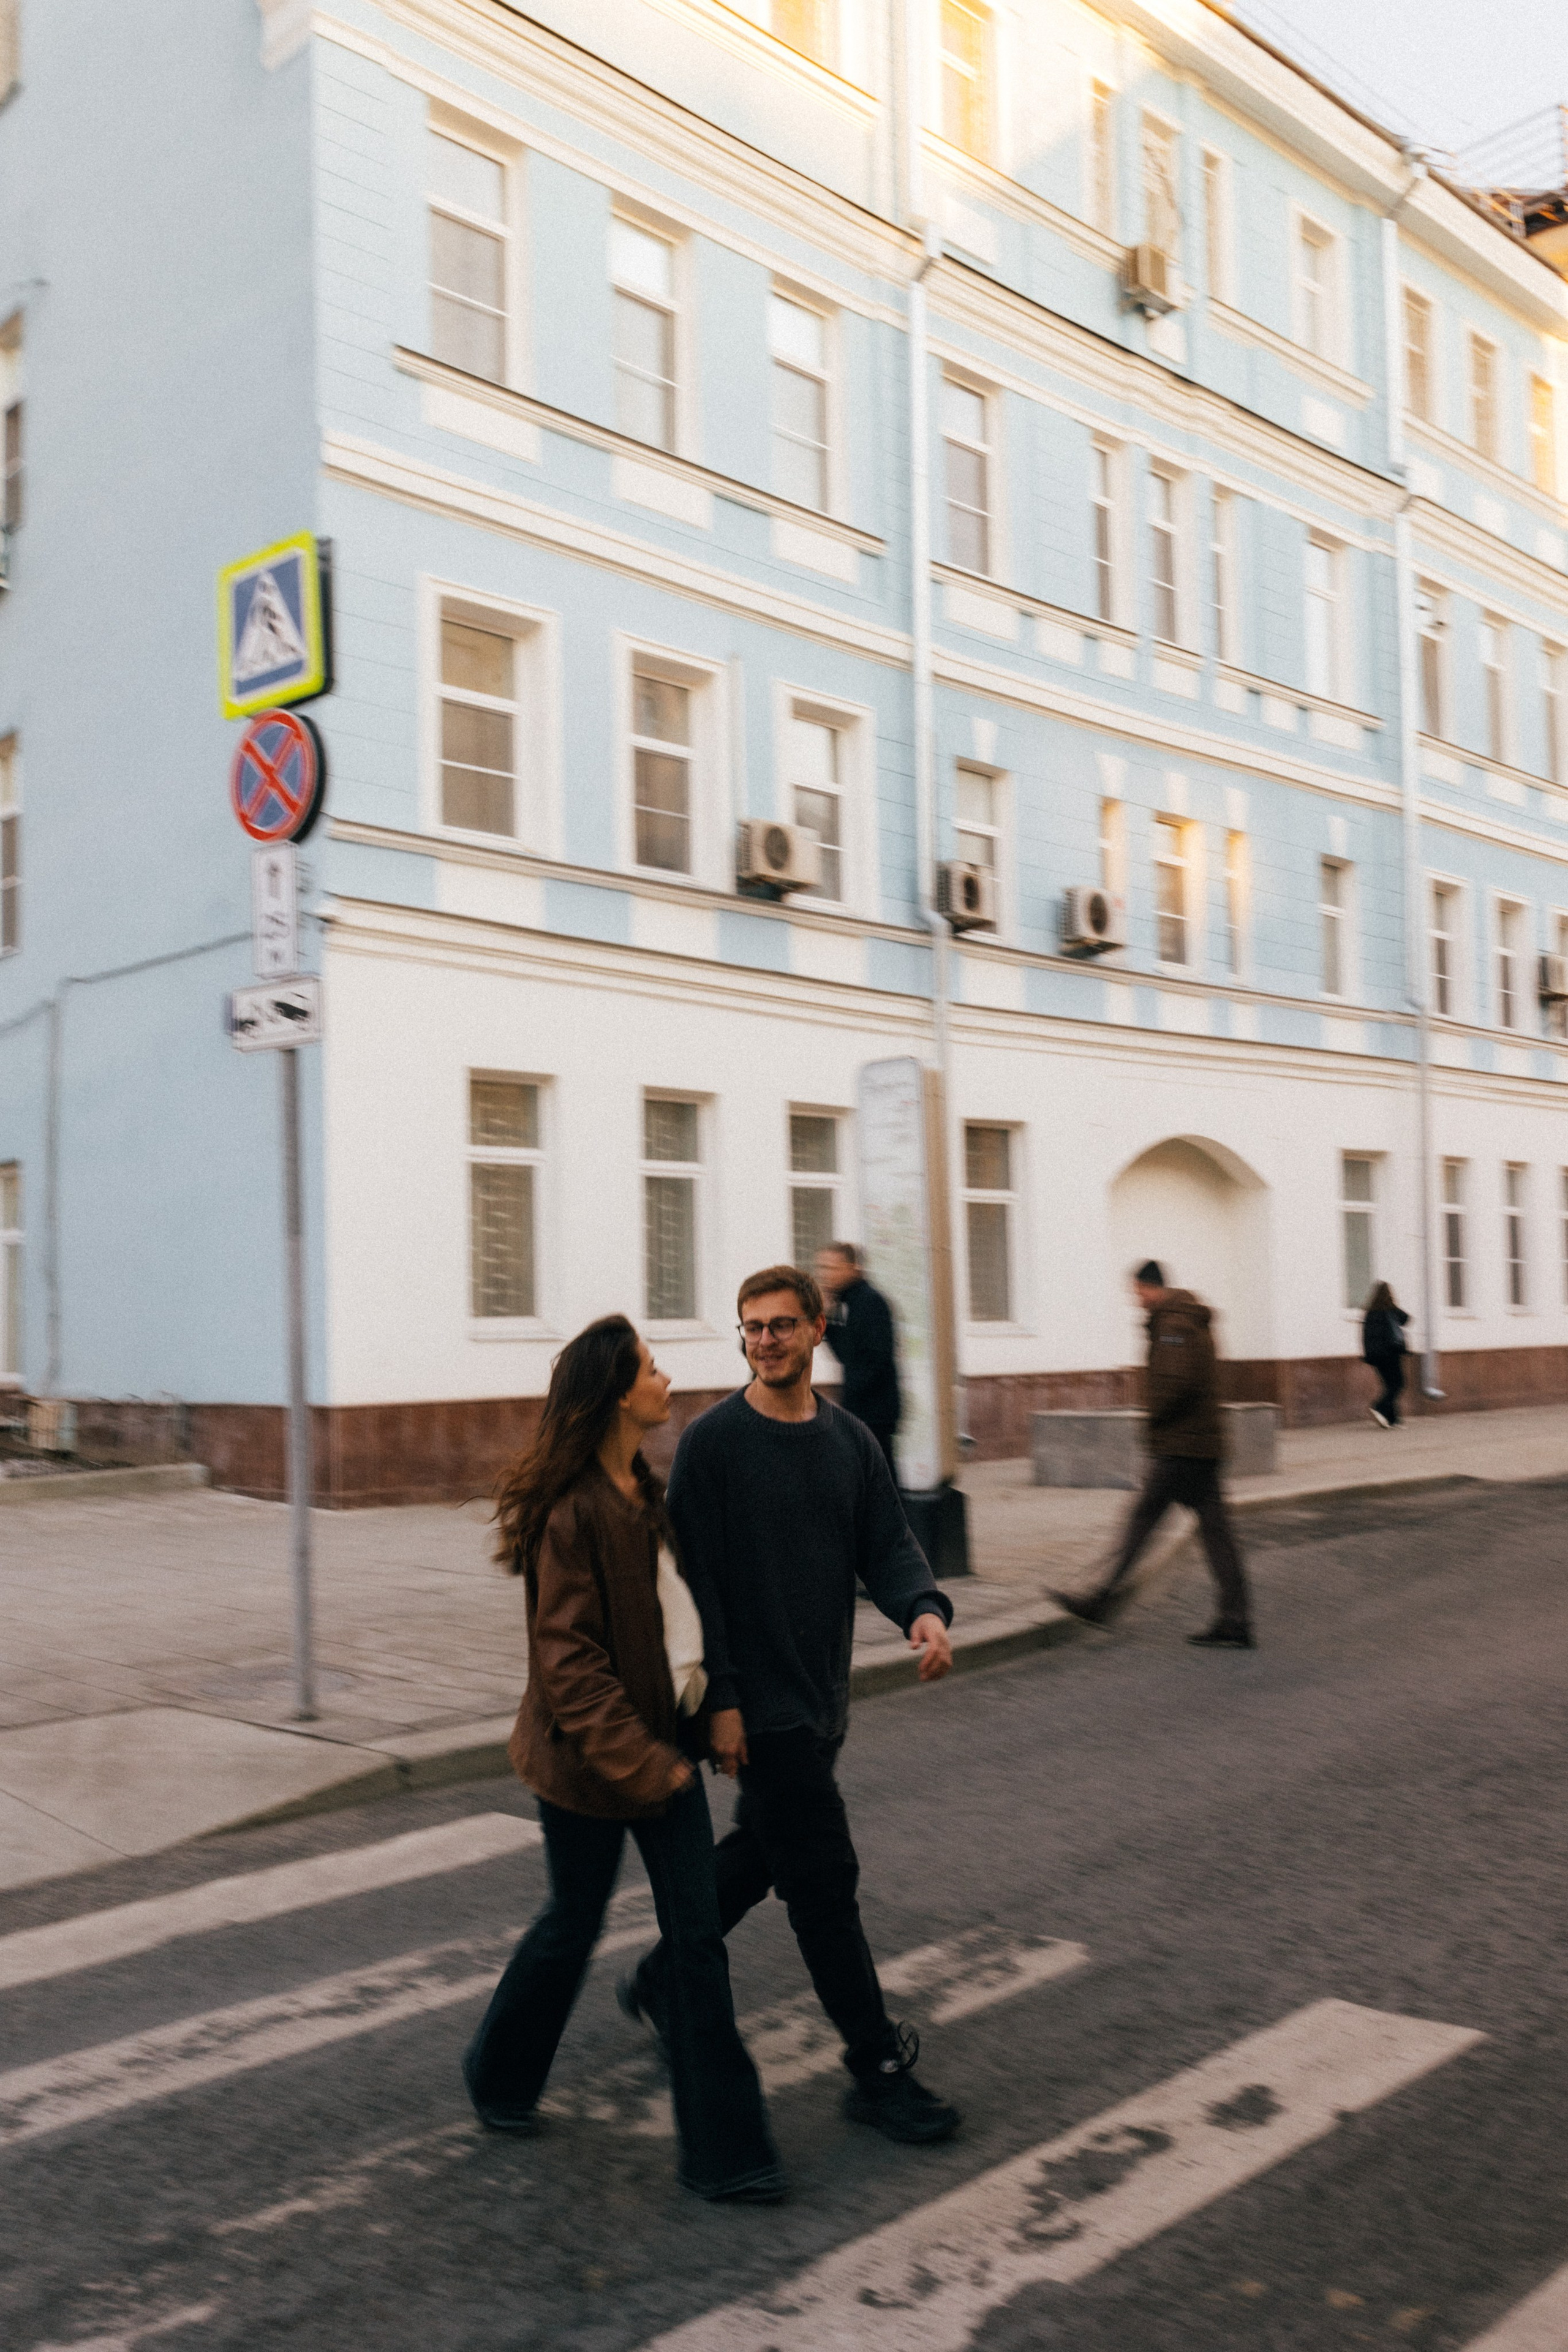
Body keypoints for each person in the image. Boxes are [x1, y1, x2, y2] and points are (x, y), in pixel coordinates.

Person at [620, 1264, 962, 2146]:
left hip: (820, 1704)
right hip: (757, 1709)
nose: (765, 1340)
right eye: (751, 1327)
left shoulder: (849, 1443)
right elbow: (695, 1588)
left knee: (768, 1852)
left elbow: (886, 1545)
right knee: (824, 1882)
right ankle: (876, 2065)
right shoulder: (714, 1446)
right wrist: (723, 1704)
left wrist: (923, 1612)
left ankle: (664, 1976)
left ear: (817, 1330)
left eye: (780, 1325)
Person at [462, 1313, 784, 2205]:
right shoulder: (573, 1513)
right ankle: (497, 2077)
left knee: (694, 1946)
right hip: (594, 1764)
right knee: (573, 1922)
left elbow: (681, 1614)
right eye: (649, 1367)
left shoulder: (643, 1489)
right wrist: (648, 1767)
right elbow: (569, 1668)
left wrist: (716, 1706)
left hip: (664, 1745)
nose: (664, 1376)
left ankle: (728, 2153)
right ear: (614, 1394)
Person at [1055, 1261, 1255, 1649]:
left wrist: (1153, 1418)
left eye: (1137, 1293)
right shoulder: (1186, 1319)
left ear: (1151, 1289)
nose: (1136, 1301)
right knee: (1216, 1535)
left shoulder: (1173, 1324)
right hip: (1200, 1445)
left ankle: (1100, 1599)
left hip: (1182, 1447)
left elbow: (1175, 1383)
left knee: (1142, 1521)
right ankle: (1236, 1619)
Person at [815, 1243, 902, 1483]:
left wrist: (849, 1400)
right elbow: (848, 1357)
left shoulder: (870, 1302)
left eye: (831, 1267)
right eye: (822, 1267)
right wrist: (828, 1318)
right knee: (872, 1479)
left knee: (881, 1479)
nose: (824, 1274)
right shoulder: (850, 1302)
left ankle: (895, 1520)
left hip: (874, 1410)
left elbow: (874, 1361)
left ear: (853, 1268)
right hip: (864, 1408)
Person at [1362, 1281, 1411, 1428]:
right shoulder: (1391, 1311)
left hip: (1375, 1356)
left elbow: (1366, 1336)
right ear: (1389, 1294)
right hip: (1391, 1354)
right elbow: (1406, 1319)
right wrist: (1393, 1305)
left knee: (1390, 1385)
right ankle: (1379, 1407)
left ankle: (1393, 1420)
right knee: (1399, 1384)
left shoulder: (1370, 1313)